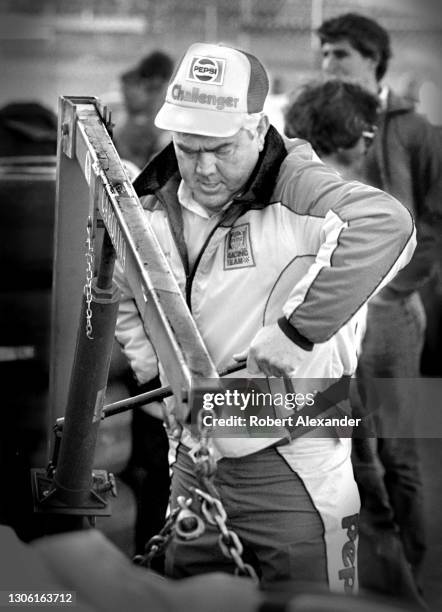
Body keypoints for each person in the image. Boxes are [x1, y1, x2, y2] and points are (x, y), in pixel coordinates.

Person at [113, 42, 415, 593]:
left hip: (296, 456)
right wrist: (159, 378)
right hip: (195, 455)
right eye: (187, 147)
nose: (202, 168)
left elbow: (388, 225)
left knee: (312, 602)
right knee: (192, 600)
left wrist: (298, 332)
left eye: (221, 149)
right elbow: (125, 288)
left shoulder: (297, 184)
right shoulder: (153, 202)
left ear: (256, 128)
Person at [317, 12, 442, 594]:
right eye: (324, 54)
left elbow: (436, 223)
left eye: (339, 54)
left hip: (392, 313)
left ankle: (416, 578)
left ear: (373, 58)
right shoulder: (325, 120)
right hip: (340, 314)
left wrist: (393, 289)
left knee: (400, 455)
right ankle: (370, 575)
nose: (328, 65)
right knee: (347, 449)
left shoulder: (415, 131)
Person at [283, 78, 378, 181]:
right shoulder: (345, 191)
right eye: (367, 136)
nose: (366, 147)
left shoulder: (289, 178)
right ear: (343, 135)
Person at [113, 51, 174, 169]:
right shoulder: (135, 86)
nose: (159, 85)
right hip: (131, 144)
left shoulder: (161, 91)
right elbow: (136, 107)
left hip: (150, 142)